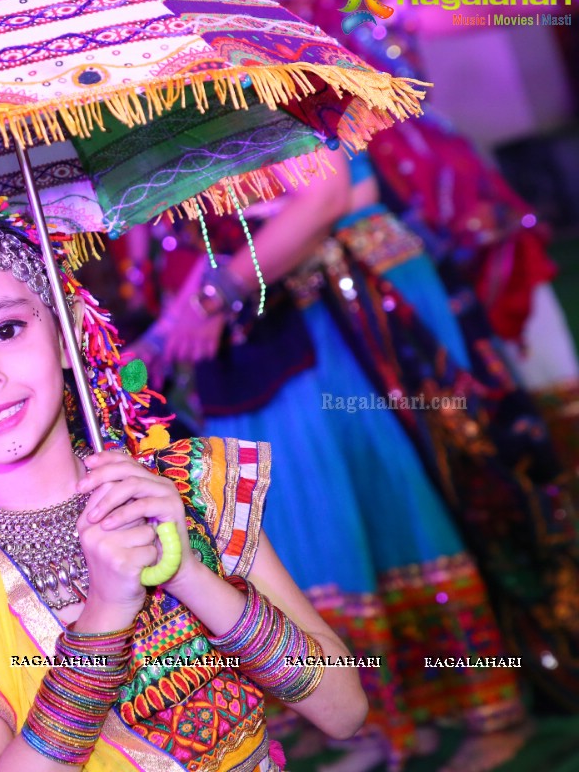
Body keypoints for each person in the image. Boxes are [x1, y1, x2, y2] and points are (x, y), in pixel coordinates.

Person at [0, 184, 367, 770]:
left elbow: (344, 709)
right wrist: (103, 616)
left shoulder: (189, 485)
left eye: (6, 330)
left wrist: (191, 574)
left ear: (68, 331)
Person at [130, 149, 534, 771]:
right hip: (275, 310)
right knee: (316, 515)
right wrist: (171, 328)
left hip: (344, 298)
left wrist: (217, 296)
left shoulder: (241, 64)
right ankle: (384, 715)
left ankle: (478, 702)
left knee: (392, 494)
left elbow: (325, 191)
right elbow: (207, 225)